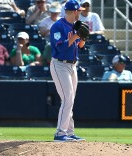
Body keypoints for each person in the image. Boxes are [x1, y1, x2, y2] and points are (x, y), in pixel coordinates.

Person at [50, 0, 86, 142]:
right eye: (79, 11)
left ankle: (70, 132)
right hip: (60, 65)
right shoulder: (58, 26)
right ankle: (60, 133)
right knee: (67, 98)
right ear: (74, 11)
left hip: (72, 65)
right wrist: (76, 35)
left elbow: (80, 45)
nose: (81, 13)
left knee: (70, 100)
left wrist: (83, 37)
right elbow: (61, 47)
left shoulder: (74, 25)